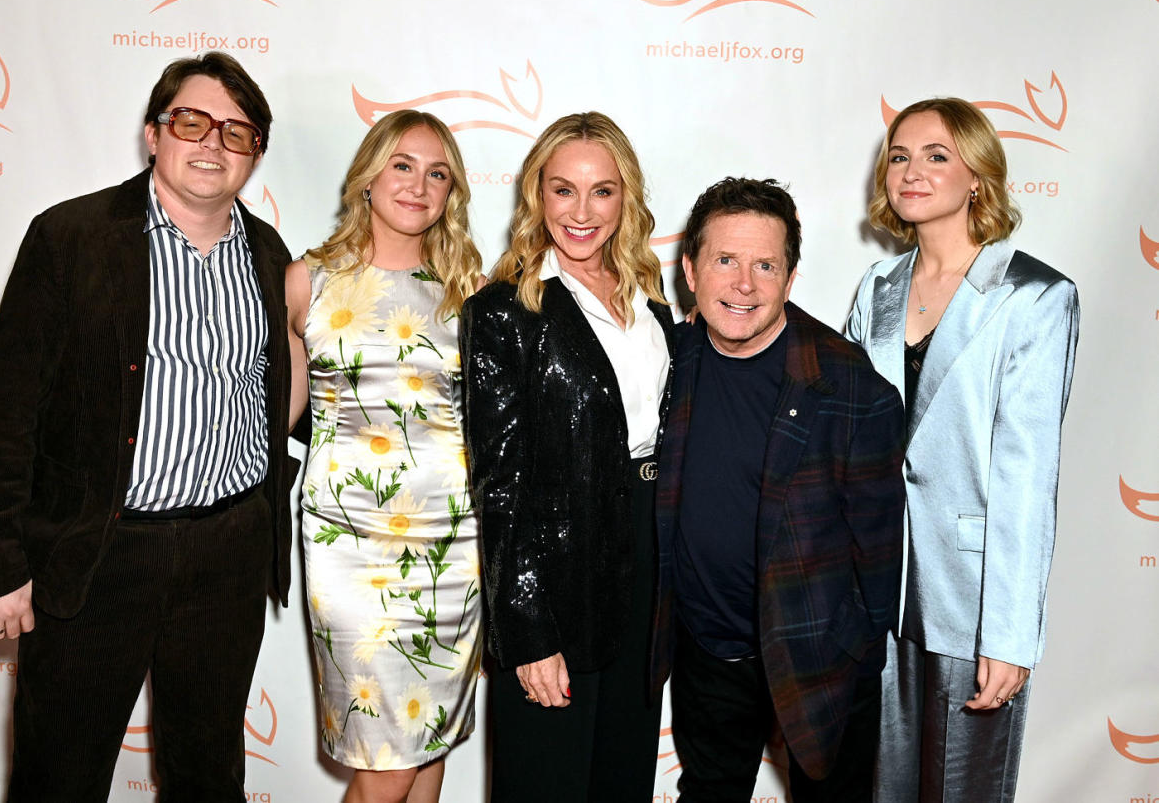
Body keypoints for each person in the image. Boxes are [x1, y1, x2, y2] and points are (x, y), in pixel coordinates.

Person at [0, 52, 296, 802]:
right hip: (98, 553)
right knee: (61, 773)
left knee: (208, 775)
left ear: (256, 154)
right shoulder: (71, 238)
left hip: (226, 552)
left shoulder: (271, 255)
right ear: (153, 133)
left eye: (237, 133)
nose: (212, 143)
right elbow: (4, 413)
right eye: (192, 122)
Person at [846, 98, 1079, 802]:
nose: (912, 171)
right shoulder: (878, 289)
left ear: (977, 174)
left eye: (936, 155)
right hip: (874, 588)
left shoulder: (1035, 296)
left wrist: (1009, 635)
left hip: (973, 598)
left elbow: (1026, 474)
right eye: (899, 156)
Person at [651, 176, 906, 802]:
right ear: (690, 271)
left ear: (790, 278)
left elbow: (879, 554)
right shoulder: (666, 359)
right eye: (725, 261)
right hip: (707, 651)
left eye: (765, 265)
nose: (744, 284)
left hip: (817, 653)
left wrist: (854, 654)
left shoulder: (849, 387)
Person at [461, 111, 674, 802]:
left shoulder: (653, 303)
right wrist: (525, 627)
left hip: (648, 559)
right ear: (537, 196)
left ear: (627, 197)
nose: (582, 212)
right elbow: (499, 482)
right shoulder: (505, 311)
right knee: (546, 778)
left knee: (624, 773)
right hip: (558, 568)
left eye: (602, 191)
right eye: (563, 190)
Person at [286, 109, 483, 803]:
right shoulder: (307, 282)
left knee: (428, 749)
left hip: (452, 548)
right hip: (348, 546)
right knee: (385, 762)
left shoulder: (469, 296)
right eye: (403, 165)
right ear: (369, 175)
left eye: (438, 174)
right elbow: (278, 418)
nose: (419, 185)